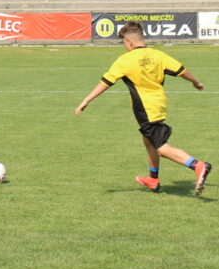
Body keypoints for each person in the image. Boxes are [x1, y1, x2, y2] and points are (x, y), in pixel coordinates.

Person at [75, 21, 211, 195]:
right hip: (159, 104)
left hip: (145, 109)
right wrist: (196, 82)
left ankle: (198, 166)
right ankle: (153, 179)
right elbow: (181, 70)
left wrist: (86, 100)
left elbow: (105, 82)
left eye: (124, 43)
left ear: (129, 42)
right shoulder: (158, 55)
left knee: (161, 147)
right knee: (148, 140)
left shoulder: (125, 60)